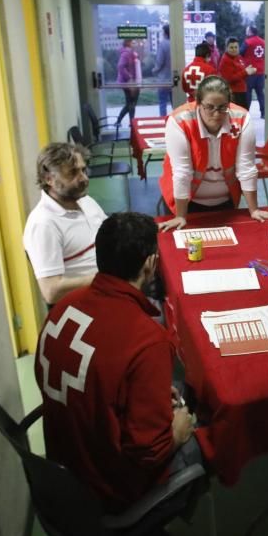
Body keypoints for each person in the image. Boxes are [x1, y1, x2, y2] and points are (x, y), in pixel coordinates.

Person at [34, 212, 203, 513]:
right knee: (198, 438)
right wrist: (177, 433)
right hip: (107, 488)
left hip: (62, 466)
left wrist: (144, 393)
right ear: (151, 264)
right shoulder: (147, 340)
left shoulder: (63, 309)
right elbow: (149, 452)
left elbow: (94, 380)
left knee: (170, 392)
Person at [158, 75, 268, 232]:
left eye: (222, 107)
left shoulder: (242, 118)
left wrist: (253, 209)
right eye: (209, 107)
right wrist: (181, 216)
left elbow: (246, 168)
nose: (216, 114)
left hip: (226, 203)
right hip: (185, 203)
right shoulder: (179, 120)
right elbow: (182, 173)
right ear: (198, 103)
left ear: (229, 104)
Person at [23, 143, 108, 305]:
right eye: (73, 173)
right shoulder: (43, 224)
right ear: (49, 179)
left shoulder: (85, 201)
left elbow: (111, 234)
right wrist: (108, 278)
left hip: (111, 289)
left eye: (83, 170)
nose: (84, 178)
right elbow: (51, 292)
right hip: (89, 304)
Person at [217, 36, 256, 110]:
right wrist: (245, 72)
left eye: (236, 47)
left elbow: (241, 73)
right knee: (236, 117)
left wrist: (249, 71)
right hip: (233, 94)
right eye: (231, 47)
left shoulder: (239, 57)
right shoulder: (225, 60)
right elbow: (229, 79)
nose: (234, 49)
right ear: (226, 48)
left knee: (244, 116)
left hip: (242, 91)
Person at [115, 38, 142, 128]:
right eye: (133, 42)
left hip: (131, 83)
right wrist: (129, 78)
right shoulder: (126, 54)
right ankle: (131, 123)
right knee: (131, 104)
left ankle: (123, 121)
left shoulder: (132, 54)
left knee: (130, 104)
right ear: (128, 43)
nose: (135, 44)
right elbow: (120, 67)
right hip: (128, 83)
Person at [242, 25, 267, 118]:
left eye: (247, 30)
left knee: (248, 93)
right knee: (260, 93)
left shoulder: (247, 42)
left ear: (250, 32)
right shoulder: (263, 42)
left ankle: (246, 112)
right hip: (260, 72)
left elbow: (240, 53)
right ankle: (263, 113)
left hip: (250, 71)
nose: (246, 32)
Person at [152, 23, 173, 116]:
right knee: (175, 104)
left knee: (162, 103)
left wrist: (154, 70)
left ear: (165, 33)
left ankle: (164, 123)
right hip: (174, 79)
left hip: (163, 79)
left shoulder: (163, 44)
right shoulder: (175, 44)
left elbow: (159, 62)